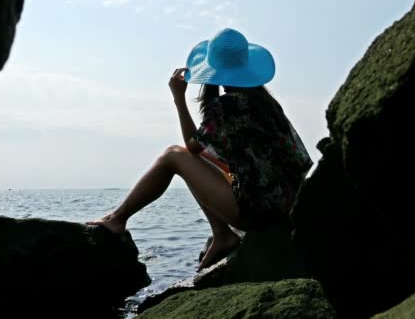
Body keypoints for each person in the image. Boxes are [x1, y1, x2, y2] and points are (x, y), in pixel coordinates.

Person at [87, 28, 313, 270]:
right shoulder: (266, 103)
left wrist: (178, 98)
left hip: (259, 211)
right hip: (288, 204)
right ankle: (222, 235)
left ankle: (116, 219)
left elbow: (192, 145)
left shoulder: (227, 107)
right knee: (195, 163)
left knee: (173, 155)